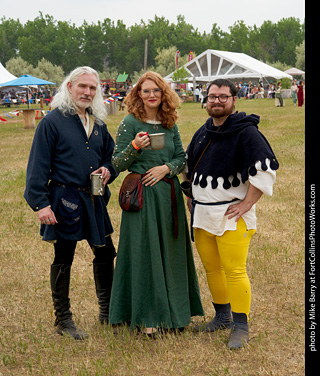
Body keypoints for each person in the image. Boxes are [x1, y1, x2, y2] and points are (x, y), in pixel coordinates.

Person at [183, 79, 279, 349]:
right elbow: (190, 165)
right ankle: (222, 317)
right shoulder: (203, 131)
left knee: (235, 271)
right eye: (212, 97)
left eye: (223, 97)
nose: (216, 101)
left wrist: (246, 204)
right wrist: (192, 195)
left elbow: (265, 170)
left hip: (230, 215)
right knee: (213, 269)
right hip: (202, 215)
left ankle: (240, 325)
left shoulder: (246, 133)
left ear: (234, 99)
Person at [24, 66, 118, 340]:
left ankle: (108, 310)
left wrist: (108, 169)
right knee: (64, 256)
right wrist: (41, 204)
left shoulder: (98, 124)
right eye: (83, 87)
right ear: (69, 88)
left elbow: (109, 157)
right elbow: (37, 167)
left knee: (105, 252)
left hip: (94, 199)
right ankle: (63, 320)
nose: (87, 92)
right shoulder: (52, 122)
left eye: (92, 88)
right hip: (64, 200)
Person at [109, 71, 204, 336]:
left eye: (157, 91)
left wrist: (166, 169)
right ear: (138, 94)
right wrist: (135, 147)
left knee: (171, 253)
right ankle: (147, 318)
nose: (152, 95)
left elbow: (181, 157)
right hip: (141, 198)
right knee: (144, 253)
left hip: (169, 197)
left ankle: (175, 316)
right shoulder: (129, 123)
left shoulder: (169, 122)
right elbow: (117, 164)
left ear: (164, 94)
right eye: (146, 90)